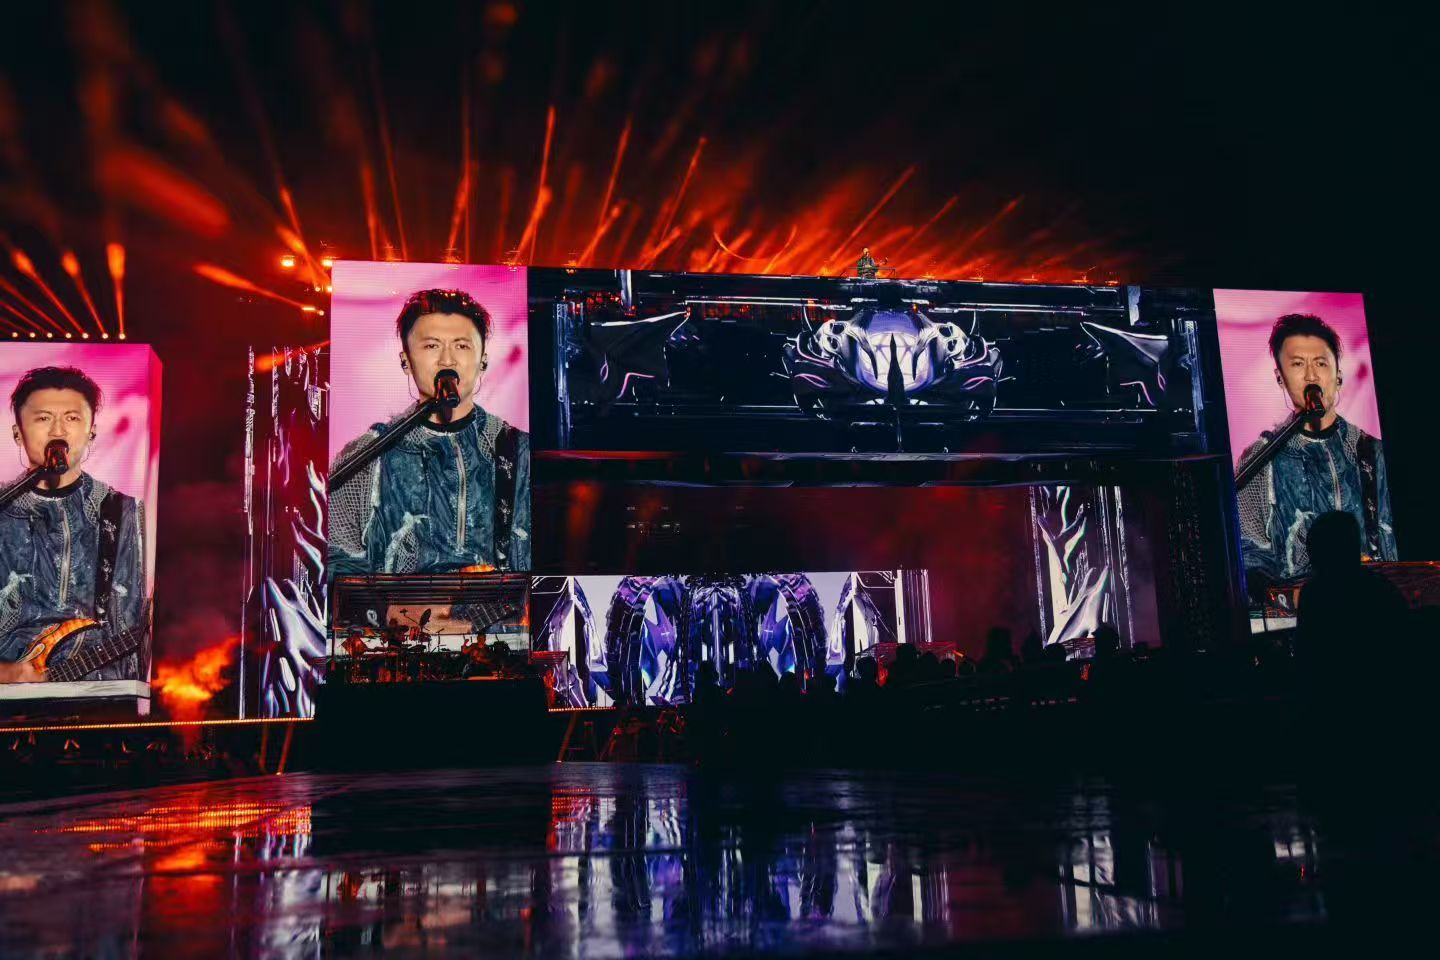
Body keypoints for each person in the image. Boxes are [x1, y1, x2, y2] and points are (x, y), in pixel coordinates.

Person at [329, 289, 531, 575]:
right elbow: (336, 568)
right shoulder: (363, 460)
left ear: (483, 360)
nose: (447, 360)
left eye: (462, 346)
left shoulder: (520, 454)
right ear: (406, 361)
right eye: (431, 346)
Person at [0, 366, 147, 683]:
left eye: (72, 418)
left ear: (91, 431)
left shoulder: (119, 511)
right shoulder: (3, 508)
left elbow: (131, 628)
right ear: (17, 432)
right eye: (43, 418)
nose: (58, 430)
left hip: (94, 692)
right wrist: (8, 673)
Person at [1237, 314, 1396, 596]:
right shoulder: (1262, 458)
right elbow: (1249, 550)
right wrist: (1283, 593)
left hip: (1371, 603)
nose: (1311, 375)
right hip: (1302, 613)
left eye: (1321, 363)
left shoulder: (1371, 452)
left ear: (1338, 375)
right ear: (1280, 377)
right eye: (1298, 364)